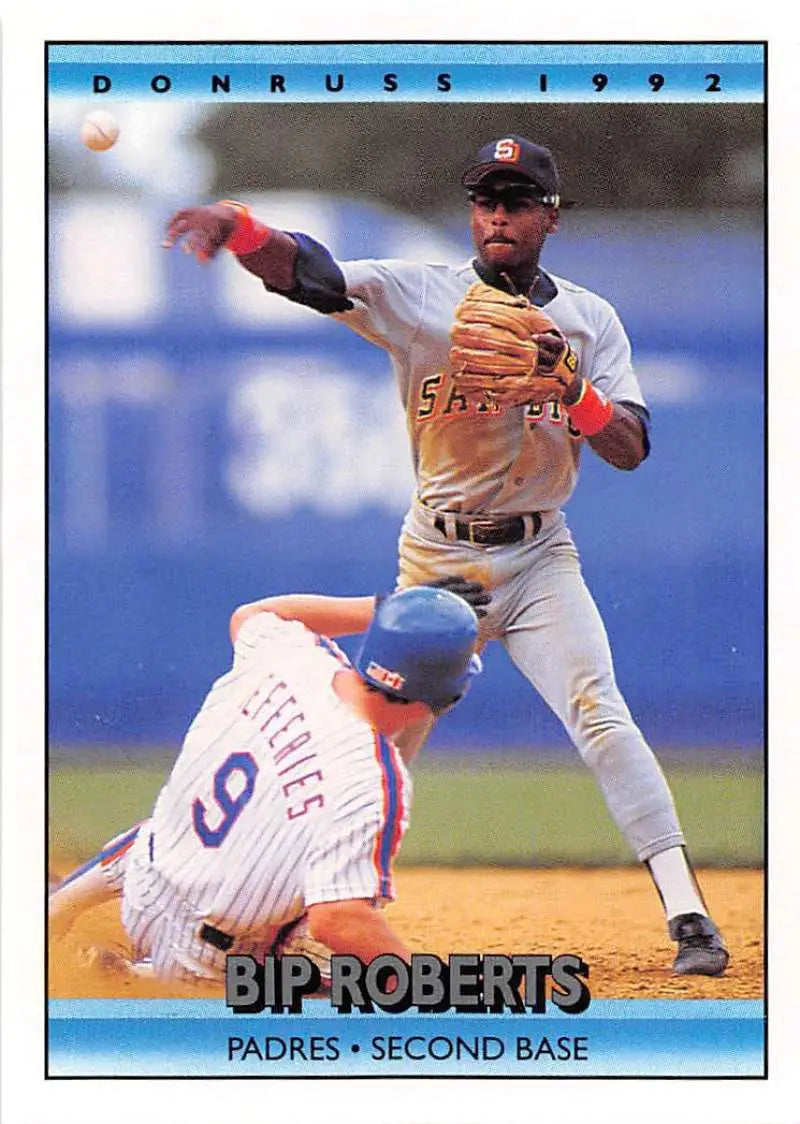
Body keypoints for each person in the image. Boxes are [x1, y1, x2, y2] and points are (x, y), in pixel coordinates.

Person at [161, 135, 729, 977]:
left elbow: (631, 445)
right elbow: (311, 274)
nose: (499, 214)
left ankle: (689, 917)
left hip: (540, 560)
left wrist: (573, 391)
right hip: (436, 561)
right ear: (473, 214)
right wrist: (241, 229)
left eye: (518, 200)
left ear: (550, 216)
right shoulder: (422, 295)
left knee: (600, 713)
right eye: (486, 200)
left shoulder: (588, 319)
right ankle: (280, 923)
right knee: (375, 747)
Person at [48, 582, 484, 984]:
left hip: (142, 876)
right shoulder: (374, 781)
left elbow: (253, 614)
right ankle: (137, 978)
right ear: (445, 697)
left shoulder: (293, 657)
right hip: (206, 959)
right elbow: (338, 918)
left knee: (165, 830)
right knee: (347, 986)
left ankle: (57, 909)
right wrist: (428, 986)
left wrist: (386, 610)